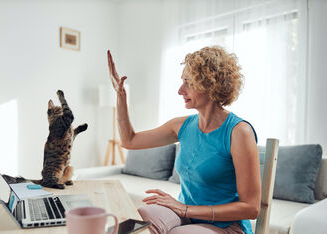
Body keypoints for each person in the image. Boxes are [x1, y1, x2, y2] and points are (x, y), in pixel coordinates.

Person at [106, 46, 260, 234]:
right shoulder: (181, 126)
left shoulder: (239, 132)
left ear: (210, 85)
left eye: (189, 83)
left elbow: (251, 208)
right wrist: (121, 97)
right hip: (187, 214)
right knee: (140, 217)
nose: (180, 90)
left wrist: (185, 209)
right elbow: (129, 141)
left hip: (228, 226)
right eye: (182, 81)